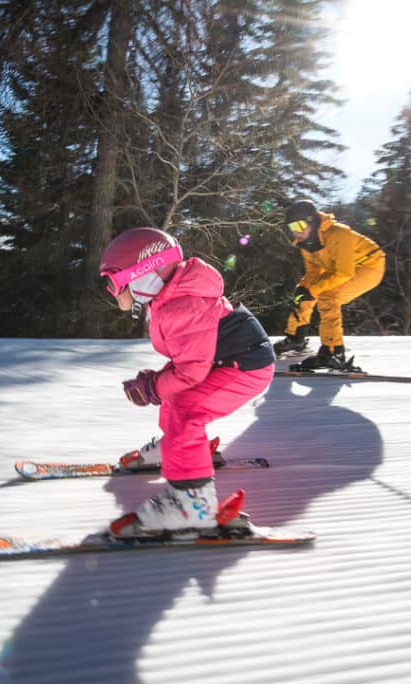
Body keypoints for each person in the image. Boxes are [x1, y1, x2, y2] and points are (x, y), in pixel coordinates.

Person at [98, 226, 276, 536]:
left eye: (113, 282)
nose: (113, 292)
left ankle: (192, 504)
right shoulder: (172, 298)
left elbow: (190, 372)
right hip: (227, 360)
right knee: (176, 399)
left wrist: (153, 387)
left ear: (144, 273)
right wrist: (156, 384)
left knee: (186, 410)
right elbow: (188, 360)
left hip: (245, 367)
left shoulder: (180, 305)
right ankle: (178, 449)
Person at [272, 200, 386, 370]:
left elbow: (344, 273)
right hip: (339, 268)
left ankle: (333, 353)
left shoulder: (339, 233)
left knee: (328, 296)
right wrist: (303, 289)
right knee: (304, 293)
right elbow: (313, 272)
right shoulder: (306, 243)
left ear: (311, 220)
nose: (297, 232)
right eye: (292, 227)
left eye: (300, 225)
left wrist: (313, 289)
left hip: (369, 265)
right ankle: (297, 338)